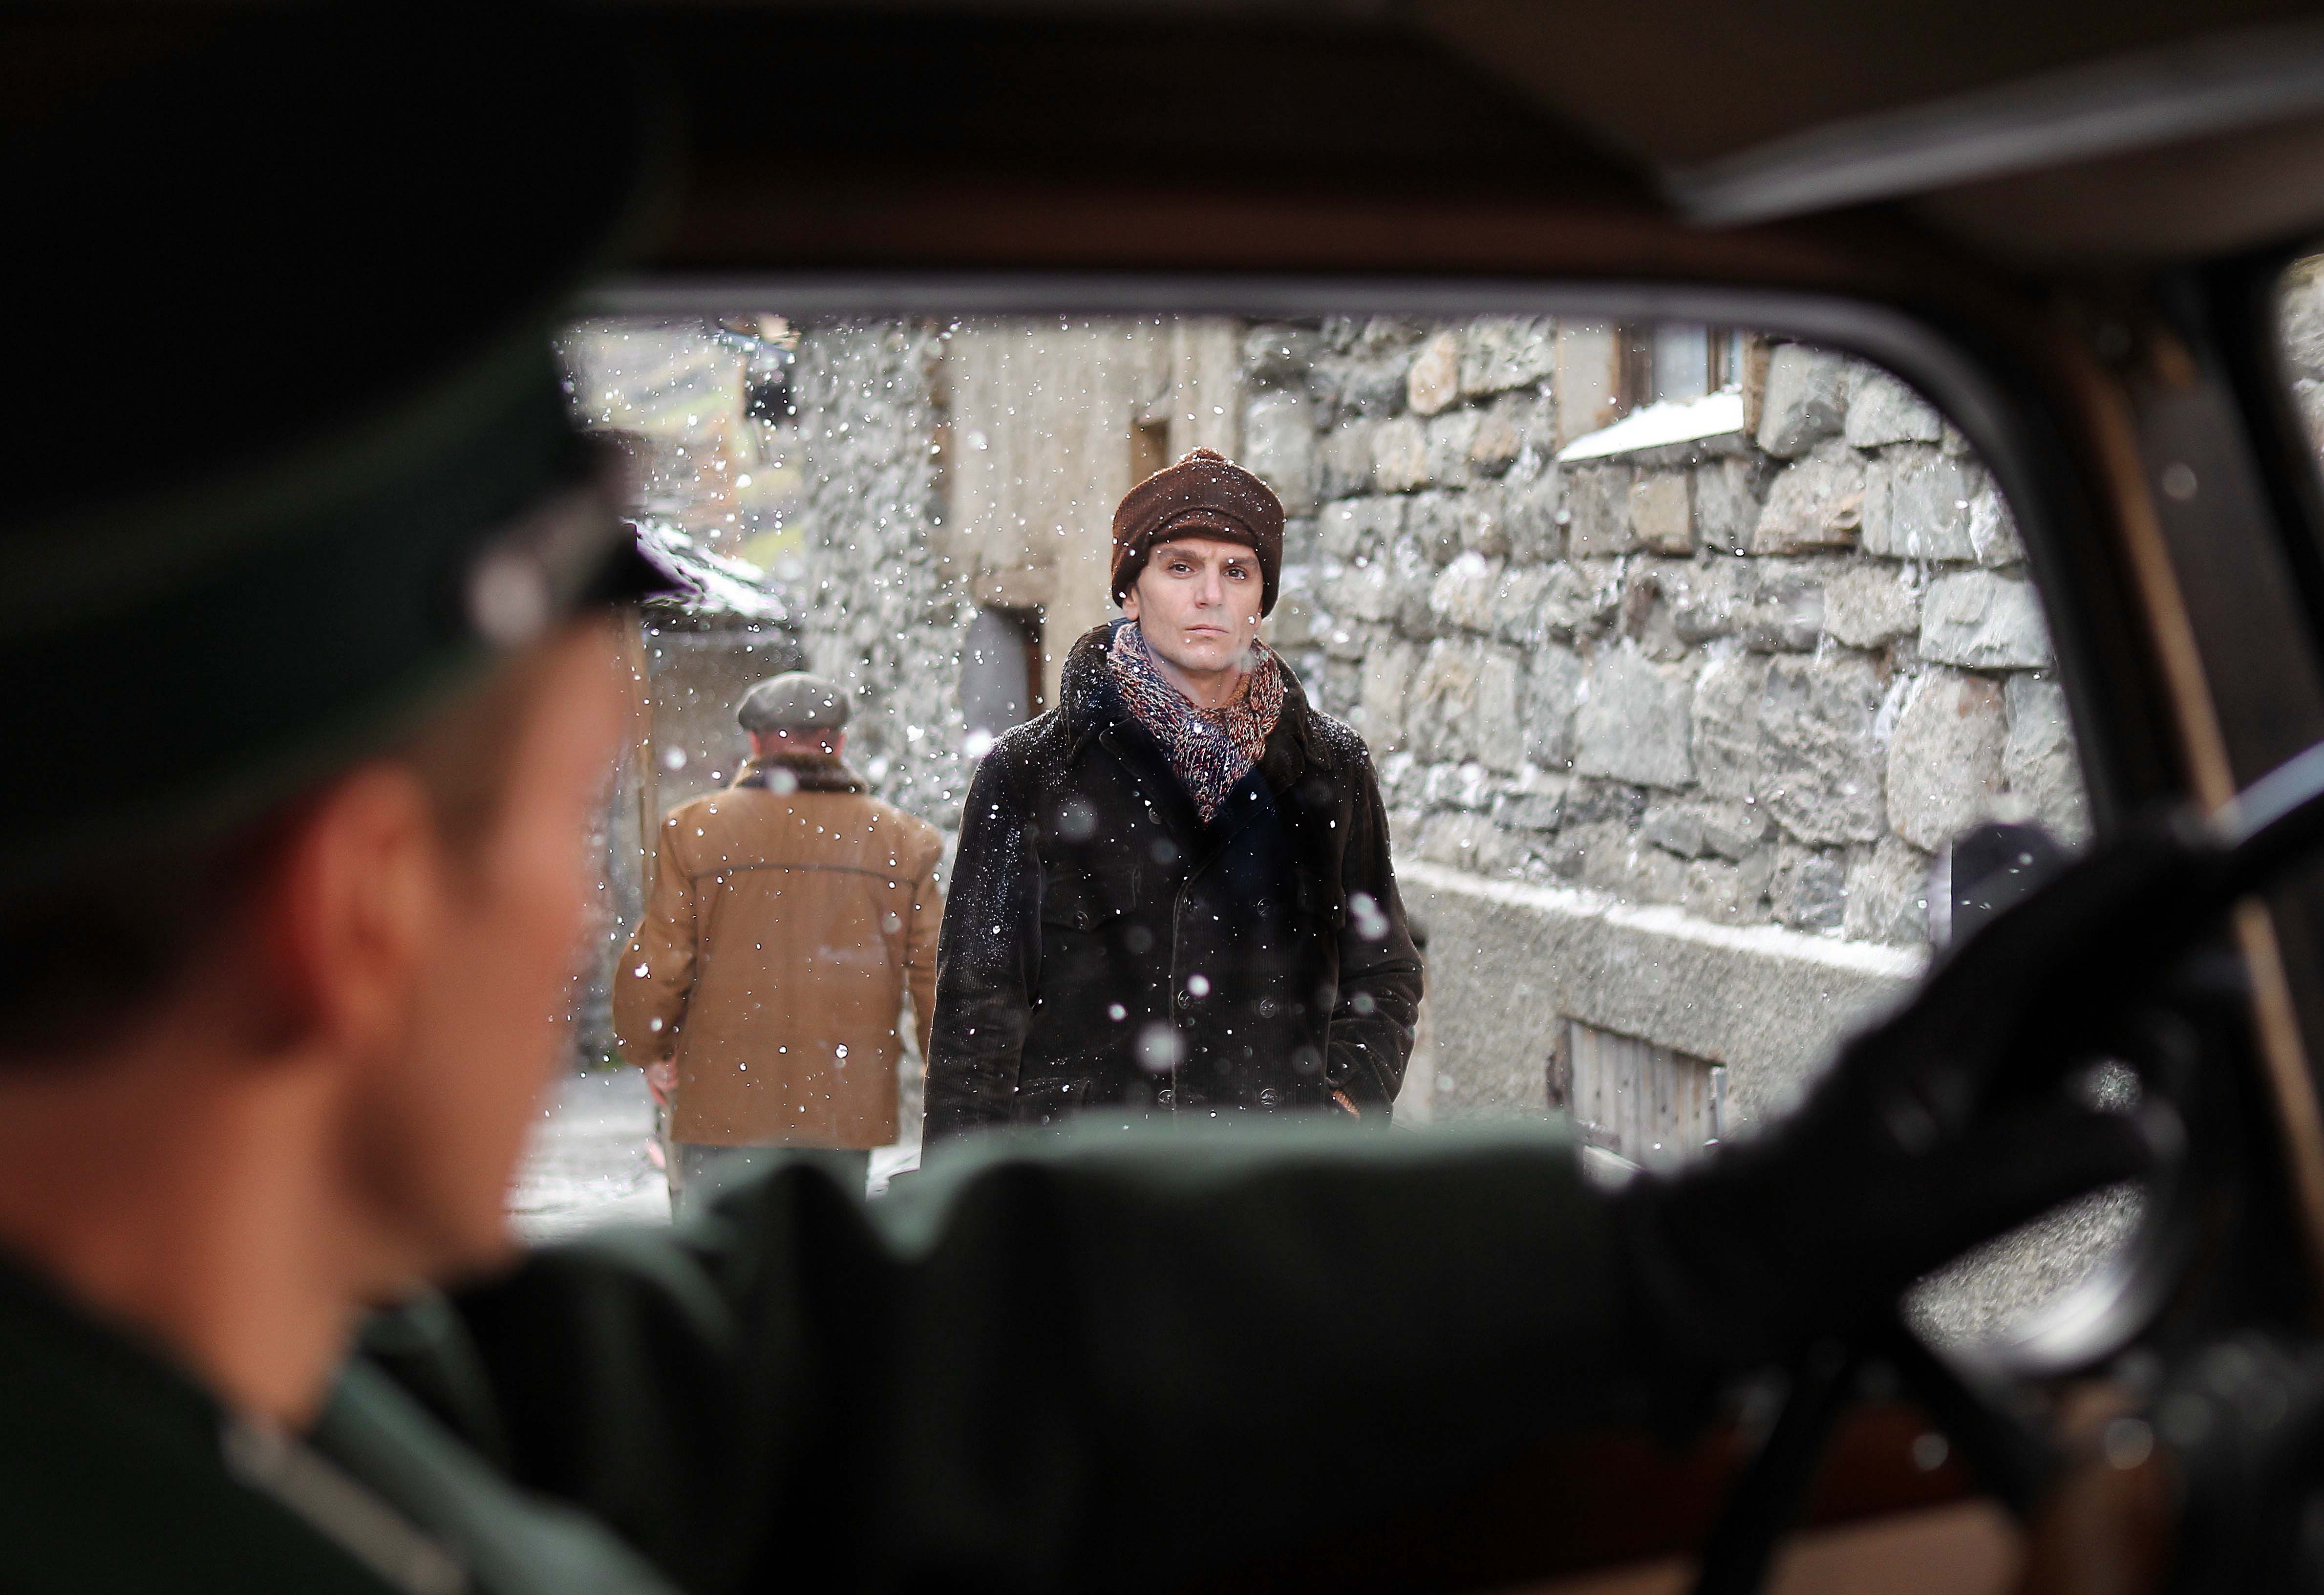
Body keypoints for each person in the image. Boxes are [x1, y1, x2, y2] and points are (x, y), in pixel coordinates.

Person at [0, 13, 2164, 1592]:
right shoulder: (1029, 776)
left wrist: (1641, 1253)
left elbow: (834, 1345)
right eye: (562, 826)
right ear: (355, 907)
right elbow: (980, 1042)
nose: (583, 925)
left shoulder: (290, 1369)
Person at [924, 449, 1423, 1142]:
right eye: (1181, 567)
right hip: (1087, 1177)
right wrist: (968, 1191)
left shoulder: (1330, 768)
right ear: (1131, 592)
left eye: (1237, 572)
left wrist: (1342, 1104)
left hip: (1273, 1177)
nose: (1210, 595)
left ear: (1260, 602)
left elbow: (1384, 970)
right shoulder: (1030, 771)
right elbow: (977, 1014)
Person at [613, 672, 942, 1207]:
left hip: (721, 1099)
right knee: (825, 1247)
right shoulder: (901, 841)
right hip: (844, 1097)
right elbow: (935, 971)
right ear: (838, 743)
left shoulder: (695, 830)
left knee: (721, 1248)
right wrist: (945, 1071)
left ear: (755, 742)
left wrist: (650, 1049)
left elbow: (662, 958)